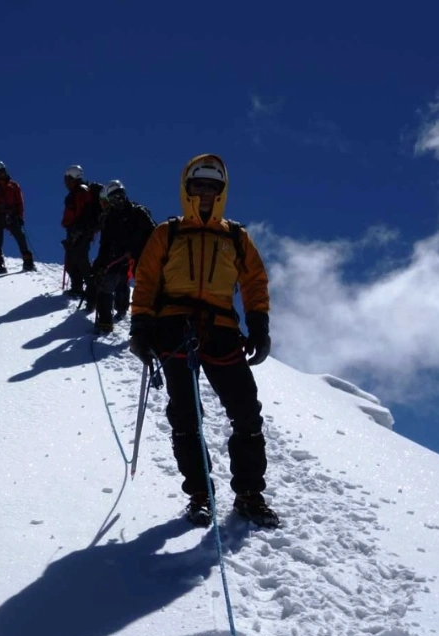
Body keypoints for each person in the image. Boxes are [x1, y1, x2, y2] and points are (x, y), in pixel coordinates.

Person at [127, 154, 278, 529]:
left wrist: (258, 323)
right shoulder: (167, 233)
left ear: (222, 192)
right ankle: (200, 494)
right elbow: (146, 281)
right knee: (186, 416)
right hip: (174, 328)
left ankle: (248, 494)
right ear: (187, 188)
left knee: (246, 413)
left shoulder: (236, 236)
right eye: (200, 185)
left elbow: (254, 281)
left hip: (222, 329)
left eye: (214, 186)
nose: (206, 192)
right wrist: (140, 327)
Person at [89, 180, 155, 331]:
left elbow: (154, 234)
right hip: (116, 256)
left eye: (120, 196)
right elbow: (104, 245)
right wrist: (99, 266)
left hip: (139, 255)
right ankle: (105, 322)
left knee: (134, 286)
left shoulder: (138, 212)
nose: (118, 200)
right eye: (114, 198)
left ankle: (127, 313)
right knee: (108, 284)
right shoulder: (110, 219)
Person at [60, 165, 103, 299]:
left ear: (74, 178)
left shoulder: (81, 192)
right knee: (73, 259)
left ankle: (91, 289)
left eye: (68, 179)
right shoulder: (77, 193)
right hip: (76, 230)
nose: (66, 182)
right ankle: (78, 288)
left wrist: (80, 229)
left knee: (80, 259)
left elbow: (84, 213)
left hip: (81, 231)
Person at [0, 161, 35, 274]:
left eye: (2, 171)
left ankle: (28, 262)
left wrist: (21, 216)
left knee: (20, 237)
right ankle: (0, 264)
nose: (1, 173)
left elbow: (20, 202)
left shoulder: (14, 186)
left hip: (12, 215)